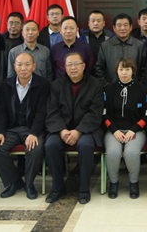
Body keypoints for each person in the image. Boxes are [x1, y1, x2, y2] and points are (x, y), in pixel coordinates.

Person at [0, 53, 50, 200]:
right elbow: (1, 112)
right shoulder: (5, 85)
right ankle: (14, 181)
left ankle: (29, 184)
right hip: (11, 129)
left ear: (33, 66)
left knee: (35, 148)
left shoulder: (43, 84)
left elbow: (42, 112)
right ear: (14, 66)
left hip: (33, 129)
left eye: (27, 64)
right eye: (19, 64)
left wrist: (34, 133)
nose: (23, 68)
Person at [45, 52, 105, 204]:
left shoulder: (95, 85)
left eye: (76, 64)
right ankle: (58, 188)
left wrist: (78, 131)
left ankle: (84, 189)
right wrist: (62, 130)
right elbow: (52, 111)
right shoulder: (56, 85)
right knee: (50, 144)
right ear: (64, 67)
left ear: (83, 66)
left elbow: (95, 113)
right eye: (69, 64)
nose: (73, 68)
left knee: (85, 145)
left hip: (87, 129)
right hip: (62, 129)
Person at [102, 57, 147, 200]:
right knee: (113, 153)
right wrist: (114, 131)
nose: (124, 72)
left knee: (131, 152)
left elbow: (146, 115)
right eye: (121, 69)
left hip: (135, 130)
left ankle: (134, 183)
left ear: (133, 71)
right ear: (116, 71)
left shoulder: (141, 89)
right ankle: (113, 183)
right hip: (114, 130)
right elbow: (105, 114)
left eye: (127, 69)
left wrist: (132, 130)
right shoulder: (109, 89)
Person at [94, 13, 147, 85]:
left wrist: (138, 86)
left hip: (135, 88)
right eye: (119, 25)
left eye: (125, 25)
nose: (122, 28)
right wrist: (107, 86)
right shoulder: (105, 46)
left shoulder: (139, 45)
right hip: (111, 88)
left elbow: (145, 70)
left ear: (131, 27)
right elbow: (99, 69)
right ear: (114, 28)